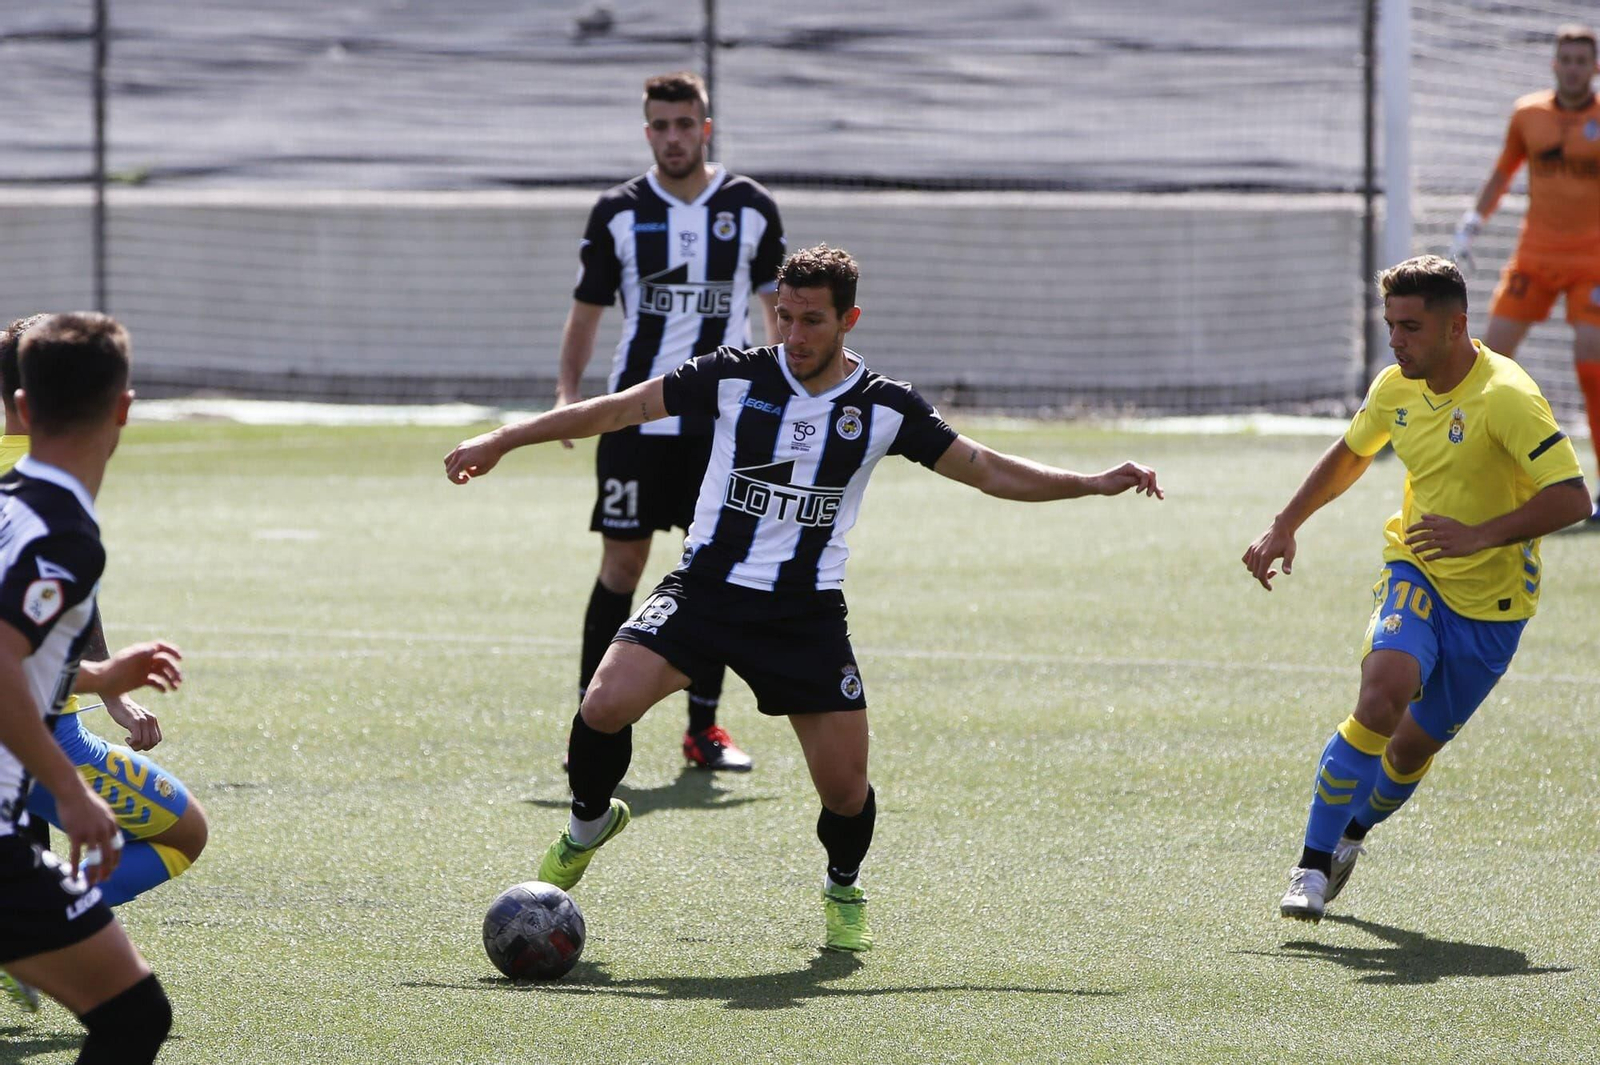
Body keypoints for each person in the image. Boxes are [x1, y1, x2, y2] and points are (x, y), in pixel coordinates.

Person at [447, 245, 1162, 951]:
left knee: (846, 792)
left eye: (812, 320)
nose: (792, 336)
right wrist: (505, 439)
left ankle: (843, 883)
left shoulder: (884, 406)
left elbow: (987, 470)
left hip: (803, 615)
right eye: (783, 317)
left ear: (849, 318)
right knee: (602, 705)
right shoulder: (732, 375)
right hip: (704, 592)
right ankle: (587, 825)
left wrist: (1091, 481)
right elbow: (619, 409)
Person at [1243, 256, 1590, 922]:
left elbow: (1573, 498)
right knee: (1381, 694)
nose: (1396, 341)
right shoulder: (1396, 388)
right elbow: (1351, 453)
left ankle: (1352, 835)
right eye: (1390, 325)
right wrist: (1285, 523)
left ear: (1456, 325)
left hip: (1492, 608)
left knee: (1407, 750)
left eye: (1411, 327)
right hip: (1418, 567)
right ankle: (1310, 867)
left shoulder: (1507, 397)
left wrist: (1481, 533)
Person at [554, 70, 786, 771]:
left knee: (709, 570)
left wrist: (781, 400)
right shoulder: (618, 211)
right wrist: (568, 393)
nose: (674, 136)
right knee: (622, 564)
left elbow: (778, 311)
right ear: (646, 129)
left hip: (724, 426)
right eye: (661, 125)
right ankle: (594, 728)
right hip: (634, 420)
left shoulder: (750, 207)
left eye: (686, 124)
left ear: (705, 127)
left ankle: (703, 731)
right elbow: (588, 312)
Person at [0, 316, 208, 1017]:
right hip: (38, 729)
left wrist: (103, 680)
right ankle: (34, 931)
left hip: (43, 707)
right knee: (185, 833)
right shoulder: (47, 490)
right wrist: (74, 771)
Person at [1449, 23, 1600, 523]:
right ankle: (1465, 462)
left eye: (1583, 59)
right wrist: (1472, 223)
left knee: (1591, 361)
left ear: (1594, 67)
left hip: (1592, 262)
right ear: (1555, 64)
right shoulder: (1527, 114)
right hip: (1534, 256)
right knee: (1485, 356)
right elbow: (1502, 173)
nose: (1574, 67)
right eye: (1567, 59)